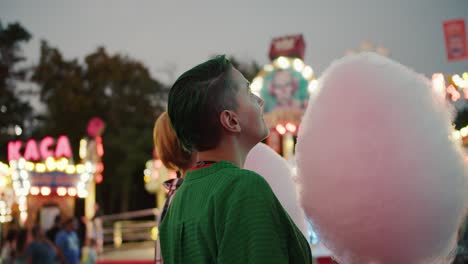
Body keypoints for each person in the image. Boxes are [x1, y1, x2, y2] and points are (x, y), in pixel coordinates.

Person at [160, 55, 312, 263]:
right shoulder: (244, 188)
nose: (260, 100)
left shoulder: (178, 200)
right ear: (231, 120)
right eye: (249, 93)